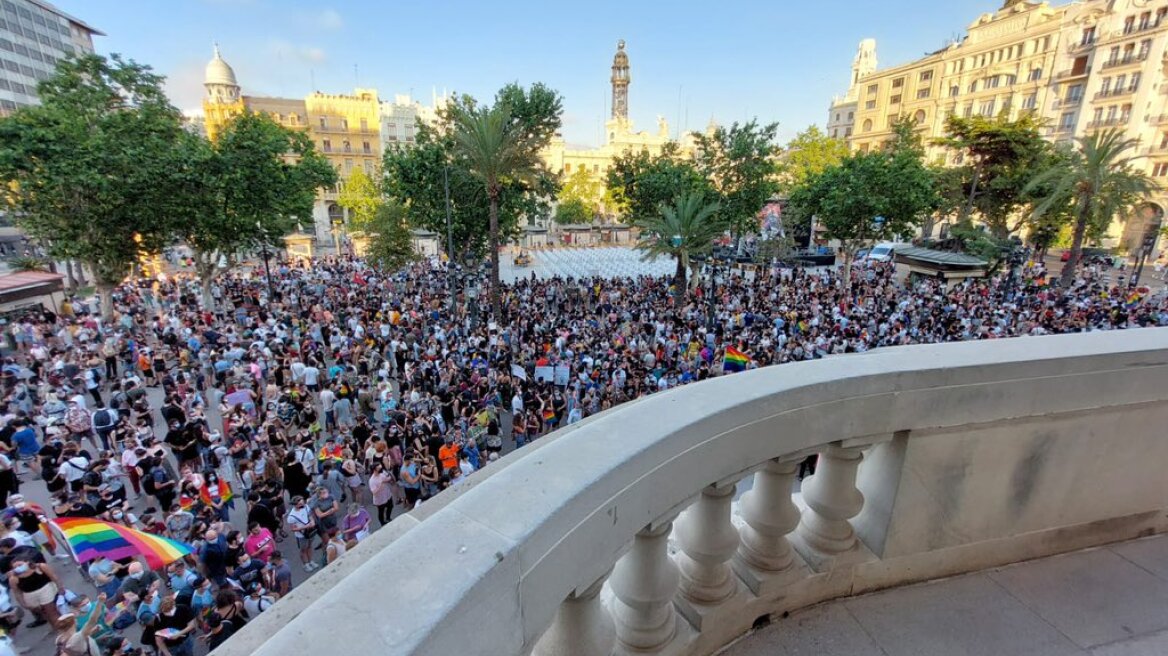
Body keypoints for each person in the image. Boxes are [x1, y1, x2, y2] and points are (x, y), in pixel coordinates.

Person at [7, 554, 61, 628]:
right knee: (45, 613)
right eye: (15, 567)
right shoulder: (14, 579)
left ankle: (61, 628)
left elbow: (53, 577)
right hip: (30, 596)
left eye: (19, 565)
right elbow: (17, 592)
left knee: (51, 612)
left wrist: (60, 587)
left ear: (27, 562)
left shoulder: (40, 567)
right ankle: (56, 627)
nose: (17, 568)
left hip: (45, 590)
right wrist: (23, 604)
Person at [284, 496, 317, 572]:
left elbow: (310, 515)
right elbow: (293, 529)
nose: (302, 504)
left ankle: (310, 561)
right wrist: (305, 527)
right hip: (301, 535)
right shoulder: (291, 516)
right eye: (300, 504)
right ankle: (305, 564)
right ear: (295, 505)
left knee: (309, 546)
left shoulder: (305, 507)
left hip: (310, 531)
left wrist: (312, 521)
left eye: (302, 502)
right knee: (303, 549)